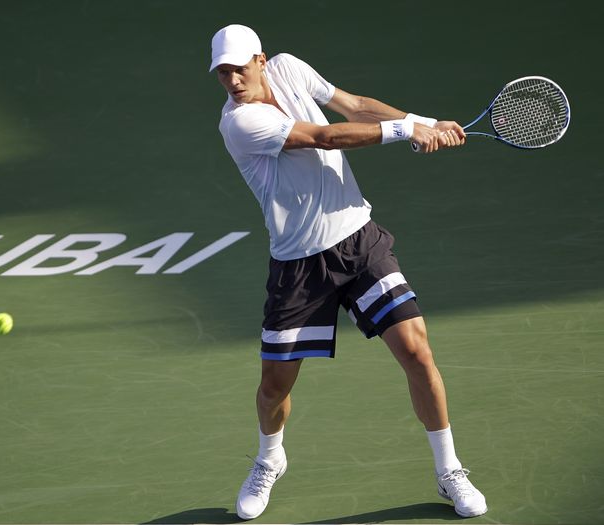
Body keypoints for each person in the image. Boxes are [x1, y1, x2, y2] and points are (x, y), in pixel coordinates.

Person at [209, 24, 488, 520]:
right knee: (275, 386)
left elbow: (355, 107)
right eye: (221, 72)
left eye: (238, 67)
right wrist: (407, 131)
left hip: (359, 241)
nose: (231, 79)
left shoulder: (290, 68)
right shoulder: (238, 123)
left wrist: (424, 121)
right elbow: (325, 136)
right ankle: (269, 458)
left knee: (417, 350)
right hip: (298, 266)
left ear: (261, 60)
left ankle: (450, 471)